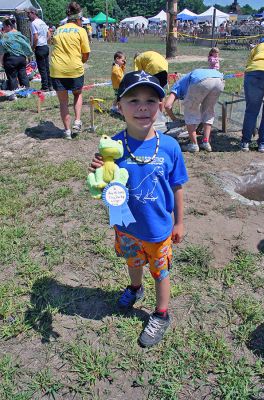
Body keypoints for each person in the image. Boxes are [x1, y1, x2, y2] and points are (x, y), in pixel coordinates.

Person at [89, 71, 188, 347]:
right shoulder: (113, 147)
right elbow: (106, 180)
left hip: (157, 230)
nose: (142, 107)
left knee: (161, 272)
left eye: (150, 100)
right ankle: (135, 287)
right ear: (119, 106)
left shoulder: (169, 146)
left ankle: (161, 313)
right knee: (133, 262)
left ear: (160, 105)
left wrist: (179, 222)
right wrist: (99, 172)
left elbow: (178, 186)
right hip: (127, 227)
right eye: (133, 100)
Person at [50, 1, 90, 139]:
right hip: (74, 68)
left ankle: (67, 131)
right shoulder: (81, 30)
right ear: (79, 19)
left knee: (63, 102)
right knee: (78, 94)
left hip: (57, 69)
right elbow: (86, 54)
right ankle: (77, 121)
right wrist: (81, 62)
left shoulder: (58, 29)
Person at [164, 68, 224, 153]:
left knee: (190, 111)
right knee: (208, 111)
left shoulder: (177, 85)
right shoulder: (186, 81)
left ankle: (194, 144)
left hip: (200, 80)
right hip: (219, 80)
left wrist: (174, 119)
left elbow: (167, 105)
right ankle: (206, 142)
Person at [240, 37, 264, 153]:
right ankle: (262, 144)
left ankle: (245, 142)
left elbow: (248, 64)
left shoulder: (256, 48)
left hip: (254, 73)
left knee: (251, 110)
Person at [0, 18, 33, 92]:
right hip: (21, 58)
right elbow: (26, 45)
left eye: (4, 26)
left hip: (10, 59)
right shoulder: (19, 34)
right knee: (23, 75)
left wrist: (1, 61)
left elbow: (1, 50)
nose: (3, 28)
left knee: (12, 76)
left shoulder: (5, 36)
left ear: (8, 26)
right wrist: (27, 56)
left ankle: (14, 93)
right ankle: (27, 91)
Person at [26, 6, 52, 91]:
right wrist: (44, 40)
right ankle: (50, 85)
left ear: (33, 13)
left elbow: (36, 37)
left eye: (28, 13)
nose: (27, 15)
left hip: (39, 47)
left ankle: (45, 87)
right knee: (47, 67)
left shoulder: (33, 23)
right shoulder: (42, 22)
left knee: (42, 68)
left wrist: (33, 47)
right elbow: (49, 34)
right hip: (45, 46)